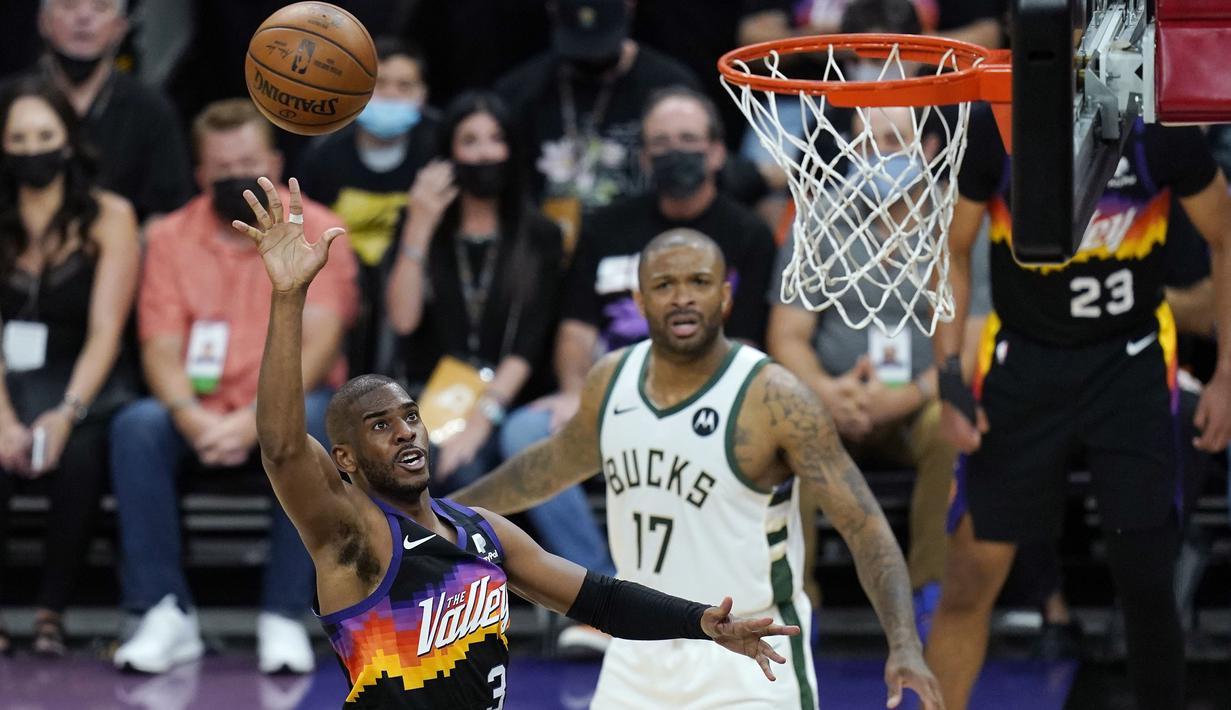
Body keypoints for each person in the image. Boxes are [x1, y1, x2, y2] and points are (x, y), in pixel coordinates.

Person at [237, 175, 803, 708]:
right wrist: (289, 298)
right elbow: (283, 447)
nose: (406, 430)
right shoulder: (352, 537)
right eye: (380, 426)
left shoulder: (483, 532)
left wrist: (699, 621)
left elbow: (600, 599)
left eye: (410, 416)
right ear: (345, 459)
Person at [454, 229, 943, 708]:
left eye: (699, 282)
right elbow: (548, 466)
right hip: (636, 655)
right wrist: (445, 514)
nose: (682, 297)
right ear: (639, 299)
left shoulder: (773, 396)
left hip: (750, 656)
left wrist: (903, 642)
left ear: (726, 296)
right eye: (665, 285)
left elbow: (865, 527)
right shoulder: (611, 380)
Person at [925, 104, 1231, 710]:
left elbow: (1225, 235)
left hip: (1129, 362)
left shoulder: (1154, 126)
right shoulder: (993, 124)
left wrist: (1227, 375)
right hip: (1023, 365)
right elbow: (951, 250)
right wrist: (950, 375)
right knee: (970, 576)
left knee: (1147, 581)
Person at [108, 99, 359, 675]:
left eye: (247, 163)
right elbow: (160, 345)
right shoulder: (170, 236)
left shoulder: (318, 228)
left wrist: (252, 420)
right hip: (197, 411)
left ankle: (286, 613)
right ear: (199, 174)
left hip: (284, 408)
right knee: (136, 425)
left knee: (320, 416)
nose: (235, 179)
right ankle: (162, 612)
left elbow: (320, 346)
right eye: (220, 170)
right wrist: (191, 416)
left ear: (274, 160)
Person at [767, 106, 991, 640]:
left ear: (931, 148)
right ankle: (793, 600)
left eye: (894, 140)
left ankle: (930, 593)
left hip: (918, 403)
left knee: (952, 425)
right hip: (834, 401)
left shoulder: (959, 221)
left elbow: (978, 341)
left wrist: (909, 394)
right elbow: (787, 335)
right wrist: (828, 390)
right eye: (866, 143)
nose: (879, 154)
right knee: (787, 422)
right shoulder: (817, 218)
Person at [0, 77, 139, 657]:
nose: (34, 150)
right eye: (19, 138)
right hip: (7, 379)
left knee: (82, 451)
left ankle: (49, 613)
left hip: (85, 376)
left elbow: (107, 328)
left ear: (69, 139)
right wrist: (4, 421)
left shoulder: (110, 215)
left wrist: (66, 412)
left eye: (45, 135)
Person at [384, 91, 564, 488]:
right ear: (448, 154)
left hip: (508, 402)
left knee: (466, 465)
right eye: (470, 141)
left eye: (496, 139)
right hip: (429, 401)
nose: (485, 154)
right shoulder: (426, 227)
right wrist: (419, 224)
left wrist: (482, 419)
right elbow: (403, 317)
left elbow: (527, 346)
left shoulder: (540, 236)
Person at [494, 0, 698, 249]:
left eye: (602, 46)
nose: (592, 58)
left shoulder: (671, 88)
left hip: (644, 249)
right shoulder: (521, 93)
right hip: (547, 253)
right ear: (551, 8)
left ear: (630, 6)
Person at [298, 37, 437, 374]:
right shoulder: (324, 155)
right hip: (340, 290)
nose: (390, 95)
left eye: (404, 86)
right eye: (379, 84)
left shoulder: (438, 148)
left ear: (422, 95)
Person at [27, 0, 193, 221]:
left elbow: (170, 212)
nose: (83, 17)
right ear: (43, 22)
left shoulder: (151, 110)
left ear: (120, 27)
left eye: (100, 7)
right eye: (68, 6)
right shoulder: (11, 102)